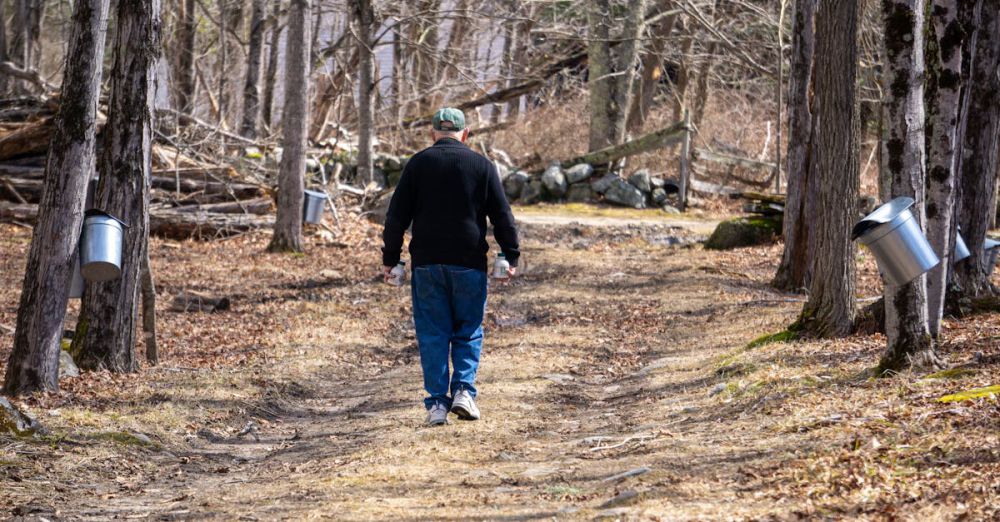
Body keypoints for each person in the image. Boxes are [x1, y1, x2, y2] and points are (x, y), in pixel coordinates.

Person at [381, 107, 520, 426]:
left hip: (427, 264)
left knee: (433, 333)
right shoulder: (482, 165)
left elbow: (395, 219)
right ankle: (464, 393)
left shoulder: (417, 164)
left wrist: (391, 259)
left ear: (433, 134)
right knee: (468, 330)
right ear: (465, 134)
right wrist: (509, 256)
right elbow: (503, 218)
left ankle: (437, 405)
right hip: (469, 262)